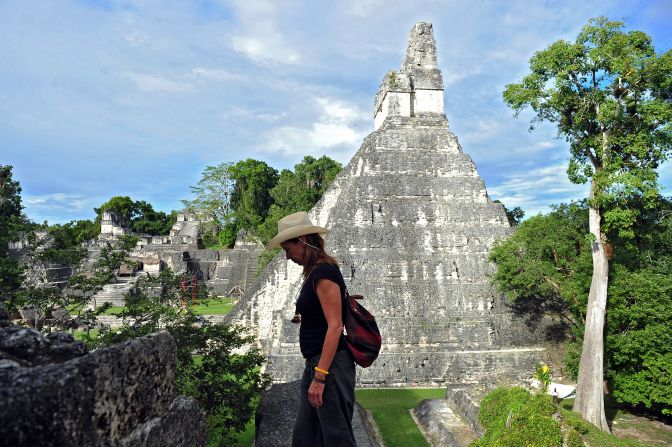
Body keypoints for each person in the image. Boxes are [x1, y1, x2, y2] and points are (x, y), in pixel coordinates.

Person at [266, 211, 356, 447]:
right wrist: (306, 317)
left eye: (287, 249)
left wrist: (320, 376)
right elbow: (325, 314)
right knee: (306, 437)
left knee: (337, 437)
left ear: (303, 242)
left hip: (330, 365)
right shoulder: (316, 272)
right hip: (318, 363)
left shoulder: (323, 272)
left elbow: (336, 326)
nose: (287, 257)